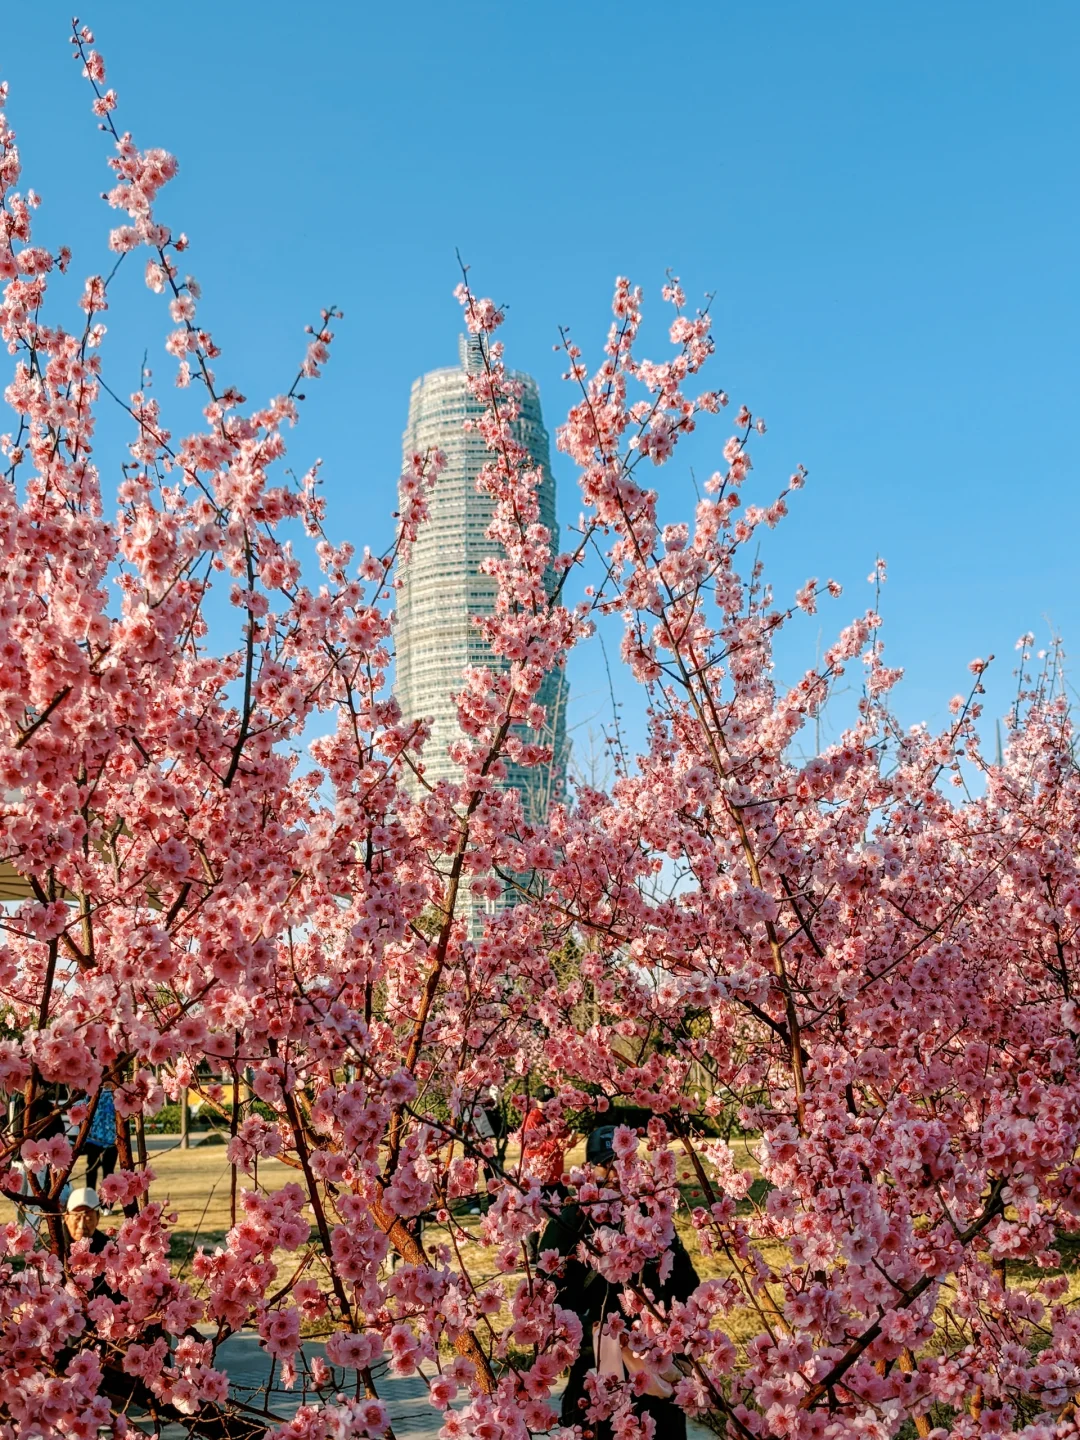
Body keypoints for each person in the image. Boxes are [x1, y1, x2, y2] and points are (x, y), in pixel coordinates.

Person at [537, 1124, 699, 1440]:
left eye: (622, 1162)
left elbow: (687, 1285)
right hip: (611, 1356)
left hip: (635, 1358)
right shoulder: (578, 1217)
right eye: (606, 1164)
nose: (615, 1172)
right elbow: (548, 1292)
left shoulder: (650, 1215)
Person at [84, 1084, 117, 1194]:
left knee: (108, 1173)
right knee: (91, 1171)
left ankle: (106, 1204)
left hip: (111, 1140)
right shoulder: (92, 1091)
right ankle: (90, 1199)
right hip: (94, 1139)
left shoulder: (116, 1093)